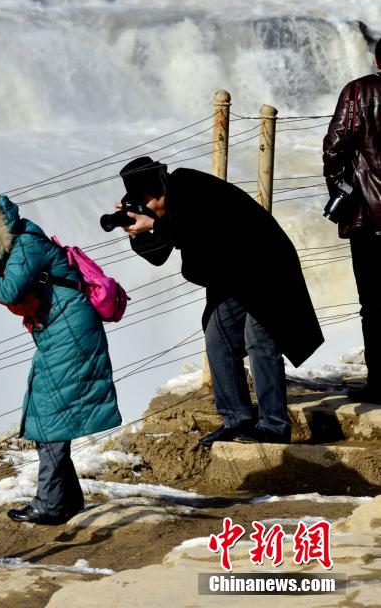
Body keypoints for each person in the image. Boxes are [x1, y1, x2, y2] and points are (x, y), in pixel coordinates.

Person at [0, 191, 121, 525]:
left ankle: (51, 503)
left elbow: (10, 290)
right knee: (43, 411)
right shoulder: (18, 246)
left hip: (70, 334)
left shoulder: (26, 245)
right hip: (60, 333)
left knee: (50, 416)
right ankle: (66, 499)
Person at [115, 158, 323, 446]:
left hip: (266, 268)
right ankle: (236, 418)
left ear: (156, 193)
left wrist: (156, 225)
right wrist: (138, 234)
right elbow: (159, 254)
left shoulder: (190, 185)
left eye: (144, 202)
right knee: (217, 338)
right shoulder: (170, 209)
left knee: (259, 341)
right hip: (234, 277)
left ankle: (274, 426)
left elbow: (195, 227)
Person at [323, 41, 381, 403]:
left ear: (377, 60)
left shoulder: (358, 92)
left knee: (374, 304)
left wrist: (343, 190)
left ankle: (380, 383)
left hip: (370, 218)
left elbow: (333, 148)